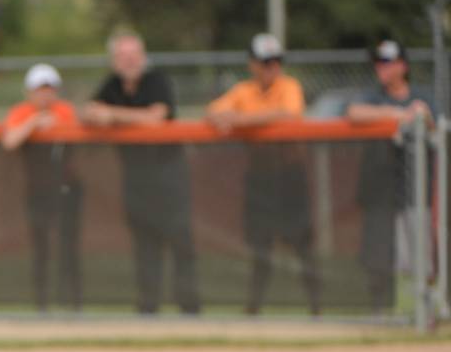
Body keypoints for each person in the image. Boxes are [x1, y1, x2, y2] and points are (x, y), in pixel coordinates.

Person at [84, 32, 200, 314]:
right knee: (145, 247)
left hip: (169, 178)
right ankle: (148, 307)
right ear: (114, 61)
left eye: (135, 55)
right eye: (124, 56)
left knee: (180, 243)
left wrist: (114, 116)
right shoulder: (112, 86)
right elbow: (89, 111)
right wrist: (105, 113)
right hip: (136, 181)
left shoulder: (156, 81)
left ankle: (190, 308)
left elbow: (157, 117)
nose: (130, 61)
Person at [206, 33, 319, 315]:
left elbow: (289, 114)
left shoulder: (289, 86)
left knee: (302, 245)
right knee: (260, 245)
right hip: (261, 178)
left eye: (276, 62)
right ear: (253, 65)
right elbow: (214, 111)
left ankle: (316, 308)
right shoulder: (244, 91)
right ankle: (253, 308)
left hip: (290, 176)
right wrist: (224, 117)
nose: (272, 68)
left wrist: (241, 120)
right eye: (266, 62)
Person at [345, 39, 436, 312]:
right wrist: (396, 114)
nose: (382, 68)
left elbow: (433, 123)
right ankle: (380, 311)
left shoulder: (421, 96)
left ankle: (426, 312)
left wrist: (420, 115)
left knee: (421, 258)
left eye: (388, 62)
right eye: (379, 63)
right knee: (378, 256)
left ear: (403, 66)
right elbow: (353, 112)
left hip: (414, 189)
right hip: (379, 191)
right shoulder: (373, 97)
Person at [2, 64, 82, 312]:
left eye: (49, 90)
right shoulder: (21, 112)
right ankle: (42, 304)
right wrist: (35, 122)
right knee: (41, 249)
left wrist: (54, 123)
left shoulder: (65, 110)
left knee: (69, 248)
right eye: (39, 90)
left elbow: (74, 133)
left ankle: (73, 303)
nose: (45, 95)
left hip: (67, 189)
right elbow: (9, 141)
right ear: (29, 92)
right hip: (36, 191)